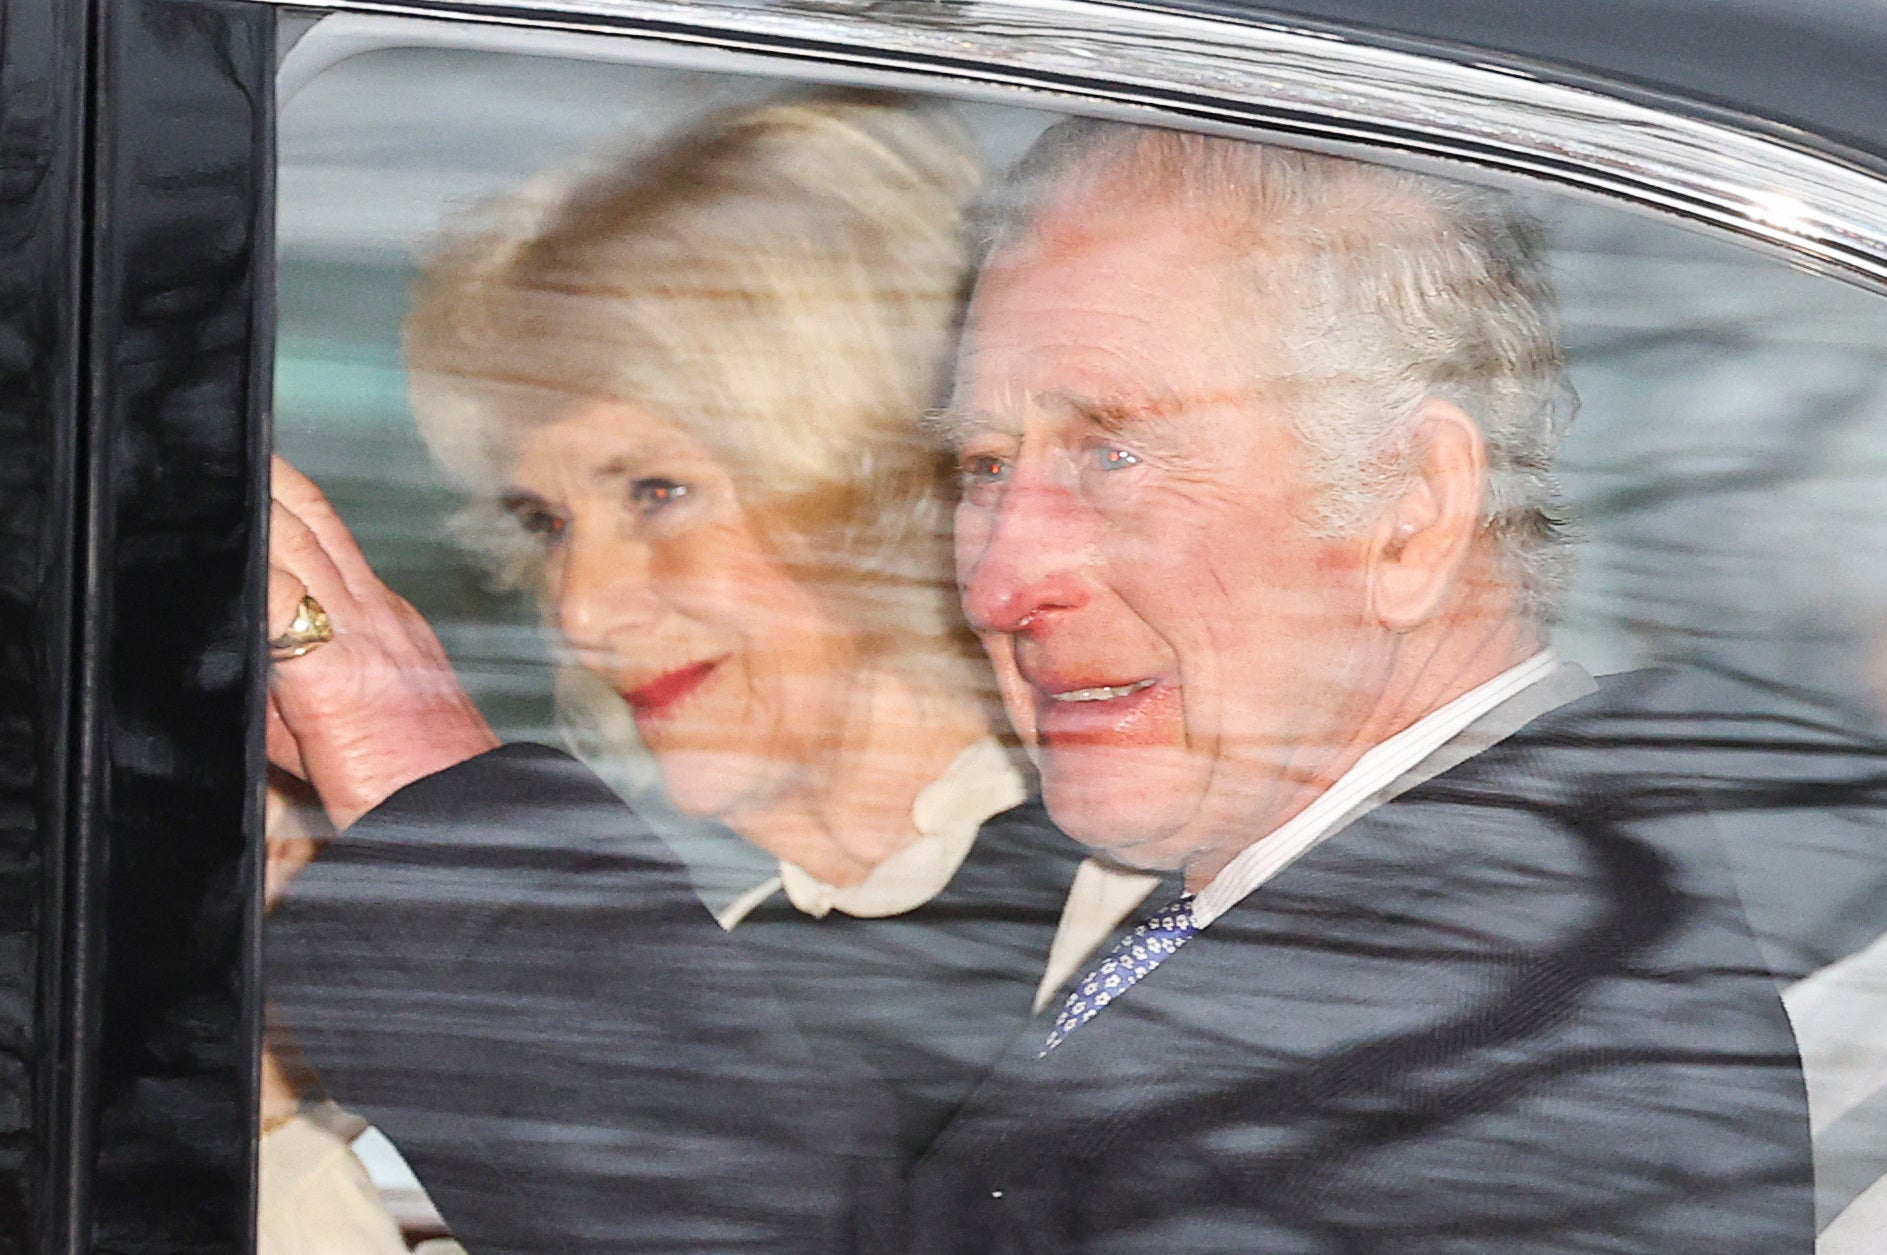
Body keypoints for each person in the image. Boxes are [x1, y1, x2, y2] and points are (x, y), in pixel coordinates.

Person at [267, 119, 1817, 1252]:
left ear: (1406, 508)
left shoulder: (1491, 1011)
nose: (1000, 577)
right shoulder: (1333, 916)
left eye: (1113, 448)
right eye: (983, 468)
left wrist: (429, 804)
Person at [265, 94, 1152, 1250]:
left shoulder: (1153, 920)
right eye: (547, 522)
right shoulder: (722, 959)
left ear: (864, 474)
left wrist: (421, 790)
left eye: (656, 492)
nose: (583, 610)